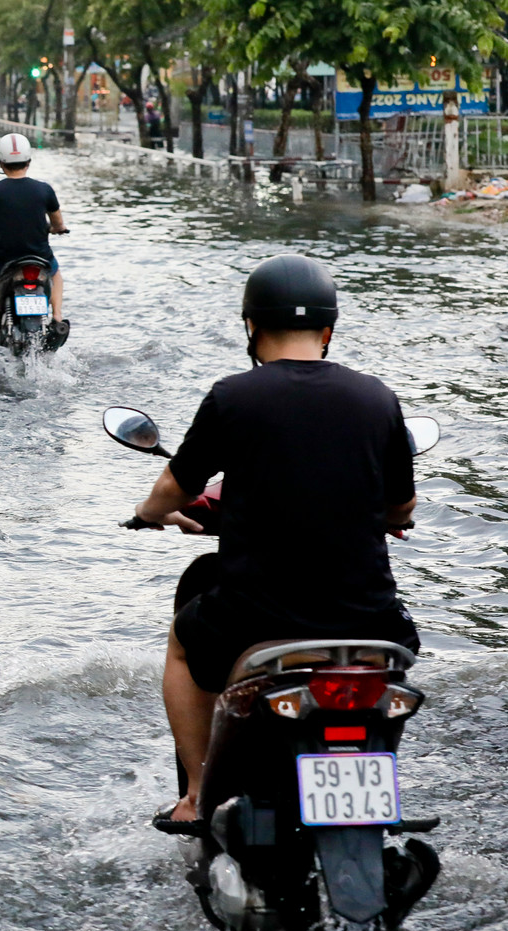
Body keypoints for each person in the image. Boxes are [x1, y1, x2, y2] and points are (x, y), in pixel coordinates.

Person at [128, 255, 421, 826]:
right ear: (329, 330)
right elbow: (401, 505)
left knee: (184, 642)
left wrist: (149, 514)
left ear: (251, 328)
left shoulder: (233, 396)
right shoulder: (378, 398)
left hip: (257, 618)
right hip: (371, 619)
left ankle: (196, 797)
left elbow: (176, 485)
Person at [0, 134, 66, 344]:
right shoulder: (45, 189)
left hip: (6, 258)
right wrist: (57, 229)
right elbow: (58, 223)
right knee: (56, 273)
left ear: (1, 163)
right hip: (39, 257)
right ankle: (57, 315)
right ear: (29, 162)